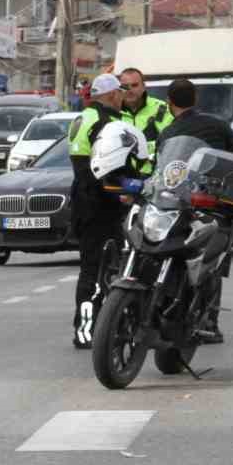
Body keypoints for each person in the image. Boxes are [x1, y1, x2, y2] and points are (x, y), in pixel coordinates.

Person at [157, 79, 233, 343]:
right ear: (195, 98)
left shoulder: (167, 132)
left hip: (176, 205)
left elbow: (158, 171)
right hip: (212, 204)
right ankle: (208, 323)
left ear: (170, 103)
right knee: (213, 264)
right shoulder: (218, 126)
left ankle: (172, 313)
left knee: (167, 255)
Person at [67, 72, 129, 349]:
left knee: (103, 268)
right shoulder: (103, 122)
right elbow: (101, 168)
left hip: (91, 201)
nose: (123, 98)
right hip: (99, 204)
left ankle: (104, 326)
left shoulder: (85, 117)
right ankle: (85, 331)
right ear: (112, 94)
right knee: (96, 270)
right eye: (120, 93)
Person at [119, 67, 172, 173]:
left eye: (134, 85)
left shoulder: (161, 109)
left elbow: (171, 143)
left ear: (143, 87)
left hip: (152, 177)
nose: (129, 90)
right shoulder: (112, 111)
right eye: (125, 86)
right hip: (121, 179)